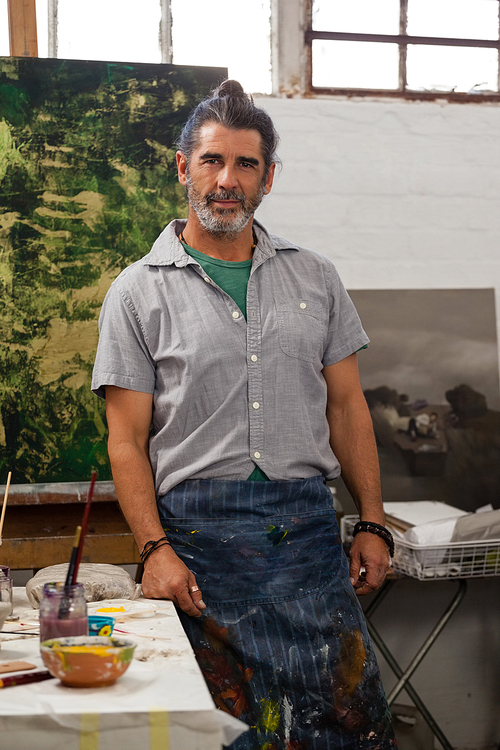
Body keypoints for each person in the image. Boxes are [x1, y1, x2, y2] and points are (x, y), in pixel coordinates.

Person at [92, 80, 396, 749]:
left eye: (246, 165)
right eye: (212, 161)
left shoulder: (315, 276)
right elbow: (126, 440)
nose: (227, 180)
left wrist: (372, 520)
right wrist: (155, 550)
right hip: (198, 554)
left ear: (267, 178)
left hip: (311, 544)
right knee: (223, 734)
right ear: (183, 168)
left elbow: (348, 406)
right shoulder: (137, 293)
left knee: (343, 732)